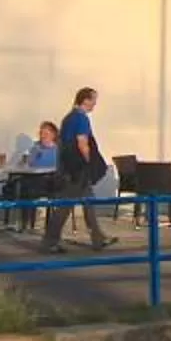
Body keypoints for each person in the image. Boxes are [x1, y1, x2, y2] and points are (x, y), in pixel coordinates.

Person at [42, 87, 118, 252]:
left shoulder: (68, 118)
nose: (94, 105)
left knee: (88, 202)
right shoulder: (81, 119)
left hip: (69, 168)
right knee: (65, 206)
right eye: (93, 100)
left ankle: (98, 238)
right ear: (85, 100)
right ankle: (49, 242)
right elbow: (82, 143)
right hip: (78, 170)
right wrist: (90, 162)